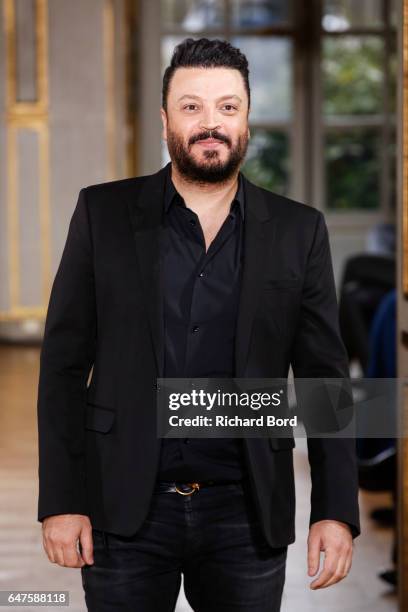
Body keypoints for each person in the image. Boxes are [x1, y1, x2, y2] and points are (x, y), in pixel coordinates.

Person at [37, 38, 360, 611]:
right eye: (192, 107)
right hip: (123, 509)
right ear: (165, 120)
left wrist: (335, 510)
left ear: (247, 120)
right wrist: (62, 500)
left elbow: (324, 380)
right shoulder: (101, 213)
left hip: (247, 512)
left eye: (227, 107)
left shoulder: (298, 230)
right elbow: (62, 367)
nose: (211, 123)